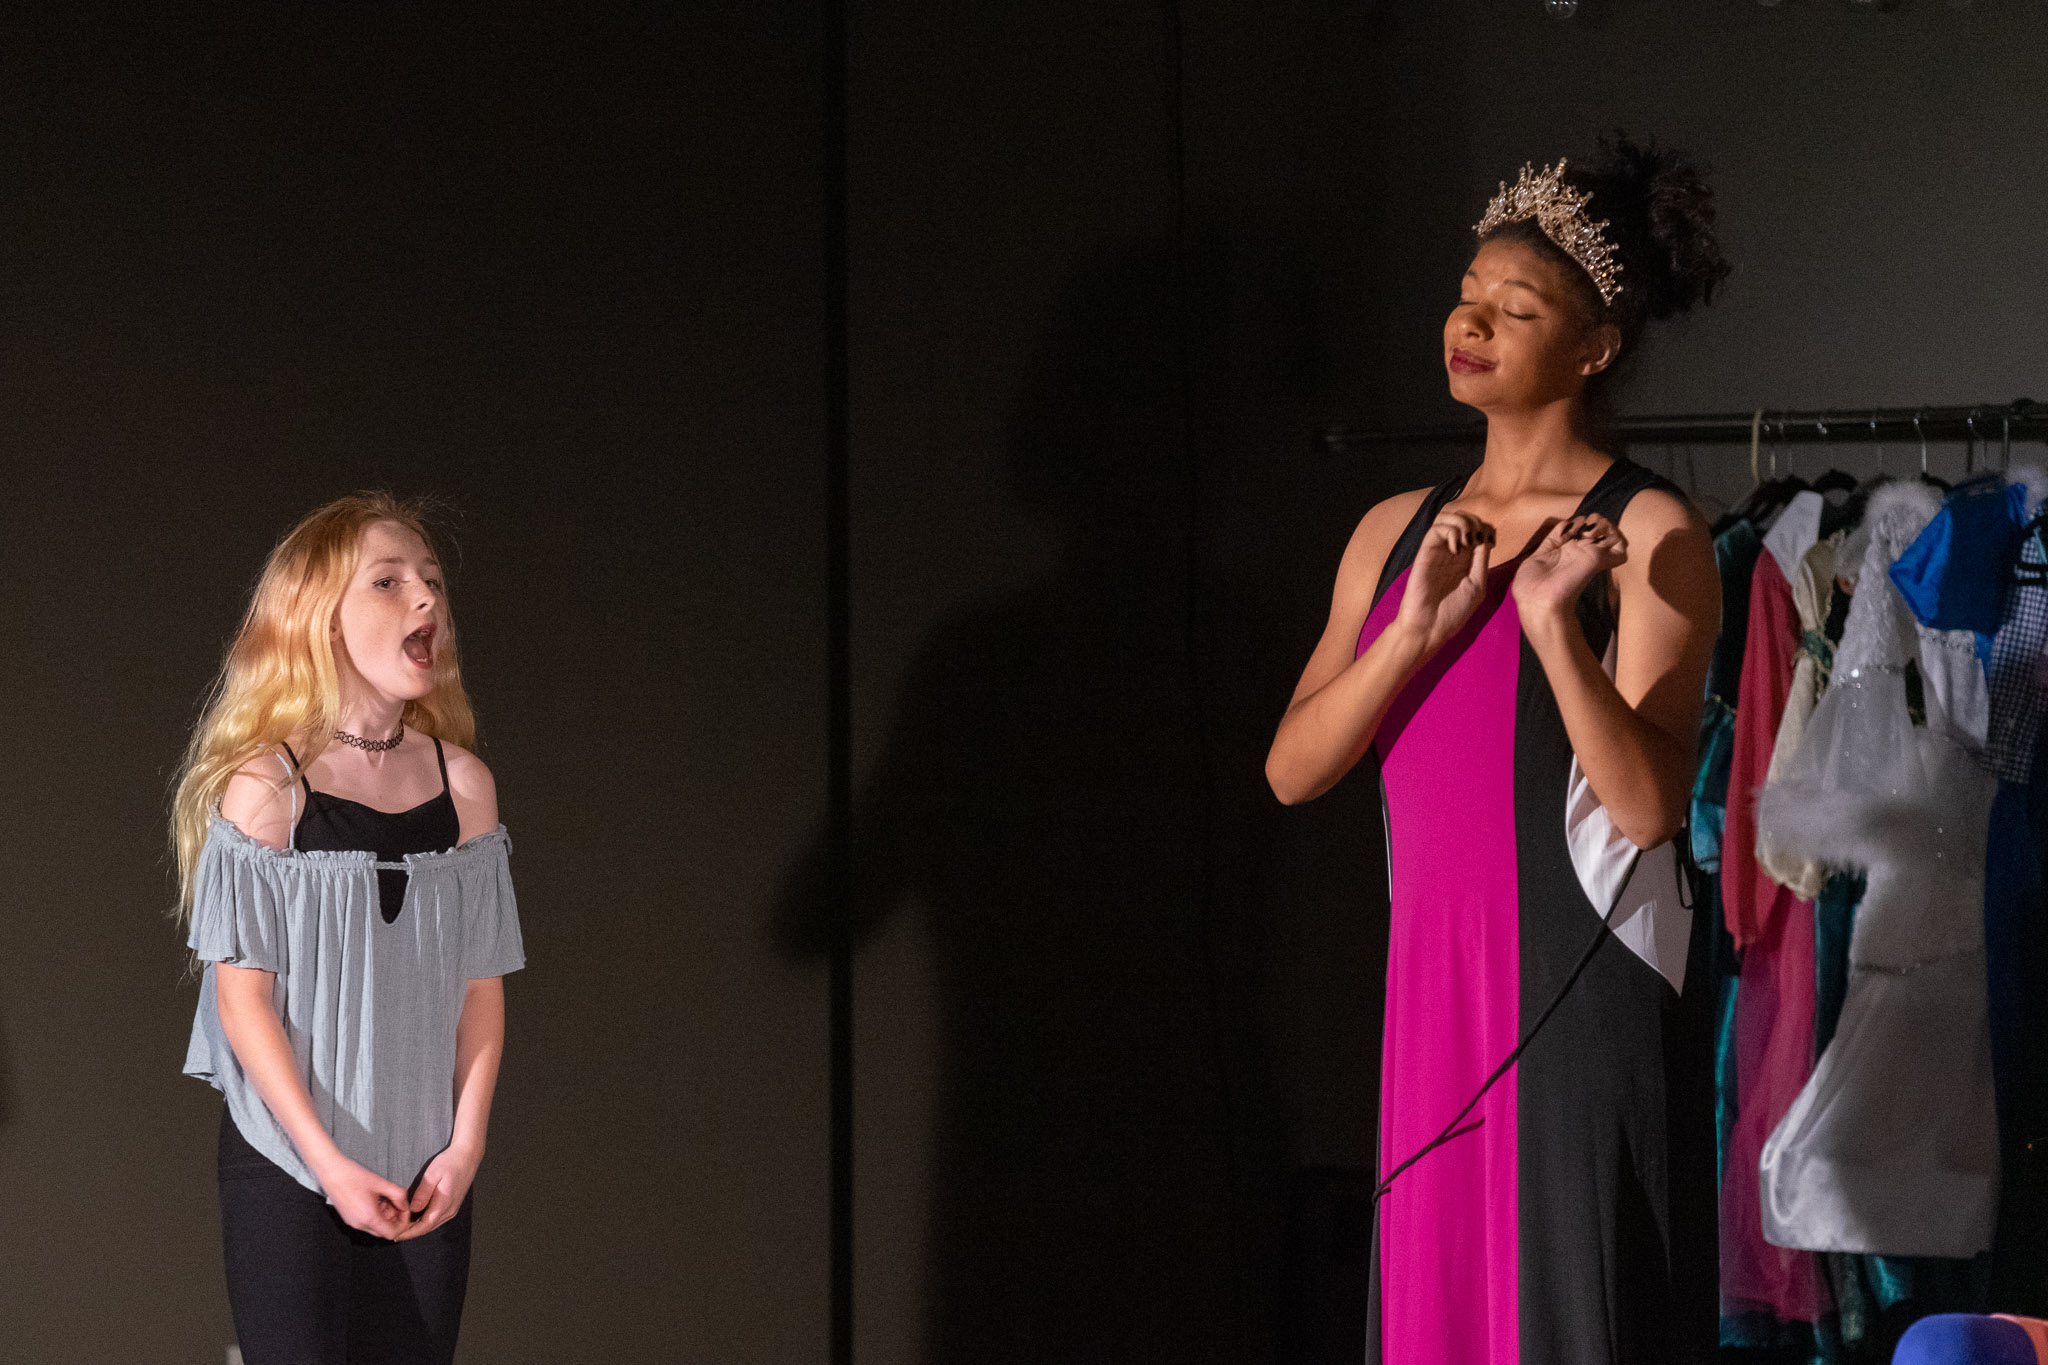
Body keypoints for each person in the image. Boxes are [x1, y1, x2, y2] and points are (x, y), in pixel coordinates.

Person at [1265, 138, 1729, 1363]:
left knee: (1568, 1311)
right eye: (1465, 298)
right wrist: (1413, 633)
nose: (1468, 325)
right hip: (1431, 981)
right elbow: (1291, 769)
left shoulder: (1648, 530)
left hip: (1572, 977)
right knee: (1440, 1310)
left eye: (1513, 310)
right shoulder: (1394, 530)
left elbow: (1646, 808)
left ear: (1592, 348)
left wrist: (1549, 627)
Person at [172, 493, 524, 1365]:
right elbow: (242, 1000)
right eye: (389, 581)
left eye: (432, 581)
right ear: (321, 617)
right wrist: (328, 1164)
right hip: (291, 1162)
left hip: (426, 1170)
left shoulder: (466, 786)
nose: (426, 598)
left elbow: (480, 990)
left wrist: (464, 1147)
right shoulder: (269, 786)